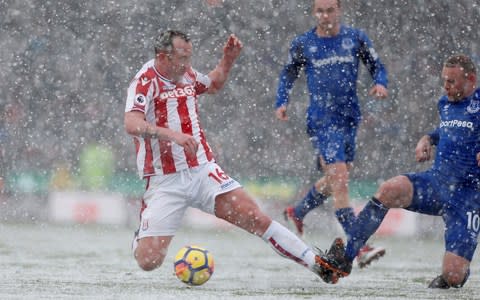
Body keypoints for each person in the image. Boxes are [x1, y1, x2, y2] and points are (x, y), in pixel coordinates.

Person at [124, 29, 335, 281]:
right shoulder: (145, 80)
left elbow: (213, 84)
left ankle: (319, 265)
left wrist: (228, 59)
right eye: (182, 57)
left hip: (202, 169)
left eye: (189, 57)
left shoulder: (187, 74)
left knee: (256, 218)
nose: (187, 64)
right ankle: (142, 236)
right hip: (164, 180)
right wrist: (171, 135)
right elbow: (131, 123)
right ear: (162, 56)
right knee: (148, 262)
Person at [317, 54, 480, 288]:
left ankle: (454, 274)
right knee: (390, 189)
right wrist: (427, 139)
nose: (445, 86)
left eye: (451, 81)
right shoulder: (445, 104)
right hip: (436, 183)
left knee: (453, 277)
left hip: (467, 197)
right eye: (443, 80)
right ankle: (346, 258)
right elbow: (448, 130)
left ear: (470, 79)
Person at [275, 0, 388, 267]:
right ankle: (358, 246)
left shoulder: (356, 38)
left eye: (330, 10)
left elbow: (377, 65)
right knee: (340, 180)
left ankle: (298, 210)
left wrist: (380, 83)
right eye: (320, 11)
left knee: (336, 178)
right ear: (314, 13)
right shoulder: (304, 43)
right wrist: (282, 101)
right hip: (322, 121)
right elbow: (288, 74)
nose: (325, 15)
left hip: (350, 119)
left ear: (339, 11)